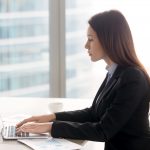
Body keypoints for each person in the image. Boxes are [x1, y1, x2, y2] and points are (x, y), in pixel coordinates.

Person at [16, 10, 150, 150]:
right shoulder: (114, 73)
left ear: (107, 39)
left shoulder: (132, 78)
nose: (86, 46)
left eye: (91, 39)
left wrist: (50, 127)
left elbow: (103, 130)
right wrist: (51, 117)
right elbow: (93, 114)